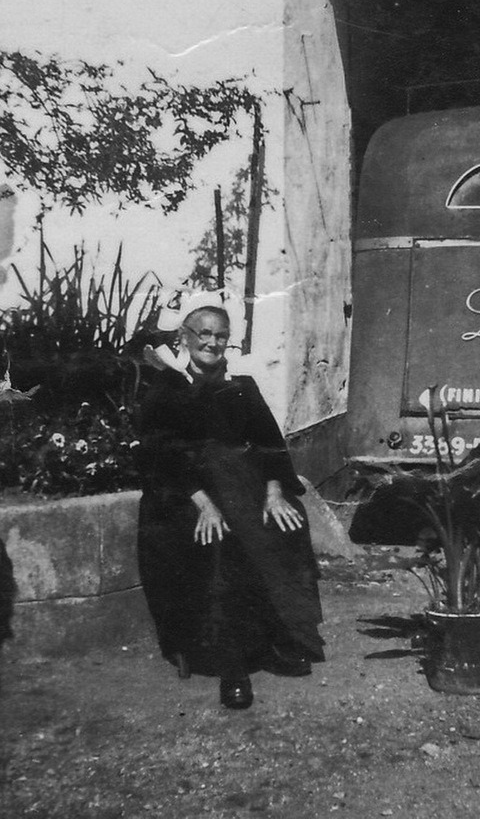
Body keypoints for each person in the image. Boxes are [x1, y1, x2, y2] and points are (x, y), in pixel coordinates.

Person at [136, 303, 324, 709]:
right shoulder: (166, 391)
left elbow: (270, 444)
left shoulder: (243, 387)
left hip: (243, 486)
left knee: (287, 523)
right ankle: (233, 664)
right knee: (222, 544)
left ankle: (278, 637)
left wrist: (274, 491)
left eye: (220, 335)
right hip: (185, 495)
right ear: (184, 337)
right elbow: (160, 459)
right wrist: (204, 504)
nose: (212, 342)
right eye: (203, 333)